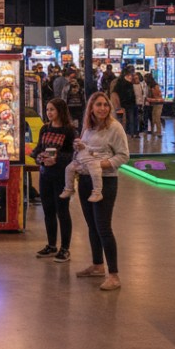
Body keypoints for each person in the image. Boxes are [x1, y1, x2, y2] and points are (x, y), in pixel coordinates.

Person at [74, 92, 130, 291]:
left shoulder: (115, 127)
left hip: (105, 182)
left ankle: (114, 275)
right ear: (91, 108)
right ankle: (98, 265)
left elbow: (124, 156)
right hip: (85, 180)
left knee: (103, 227)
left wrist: (103, 164)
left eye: (105, 105)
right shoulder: (88, 128)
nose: (102, 108)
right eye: (98, 105)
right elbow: (86, 152)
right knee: (92, 225)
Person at [35, 98, 77, 262]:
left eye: (52, 109)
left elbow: (73, 155)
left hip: (62, 176)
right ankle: (51, 245)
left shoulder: (68, 131)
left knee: (62, 211)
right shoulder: (45, 128)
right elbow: (39, 148)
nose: (49, 113)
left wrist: (57, 158)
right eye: (47, 110)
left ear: (60, 110)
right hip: (45, 174)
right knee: (48, 210)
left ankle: (65, 248)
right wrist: (40, 157)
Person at [144, 73, 164, 138]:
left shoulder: (155, 86)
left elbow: (158, 97)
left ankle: (159, 131)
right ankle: (154, 130)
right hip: (154, 104)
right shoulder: (150, 86)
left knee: (157, 118)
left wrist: (149, 99)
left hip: (158, 104)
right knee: (153, 117)